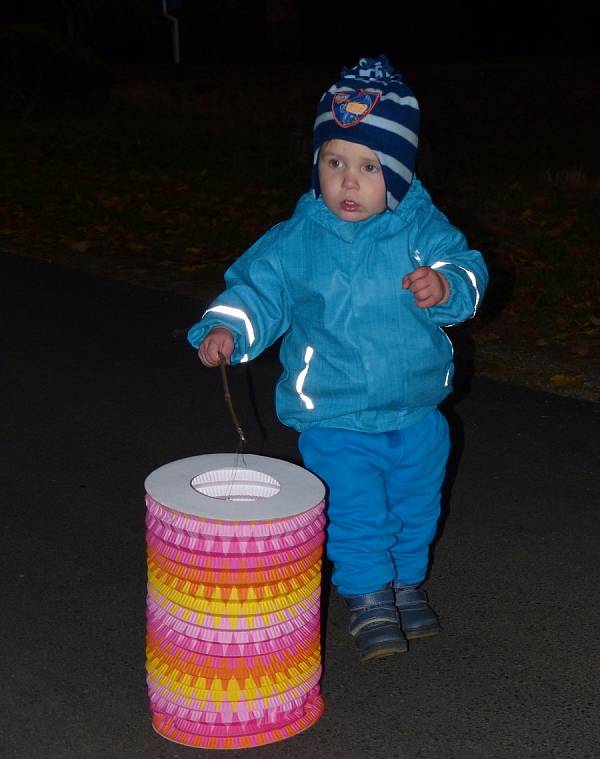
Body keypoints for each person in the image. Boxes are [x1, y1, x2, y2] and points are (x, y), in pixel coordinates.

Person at [187, 56, 488, 662]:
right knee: (358, 514)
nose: (349, 183)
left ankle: (406, 586)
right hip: (335, 416)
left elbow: (468, 267)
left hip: (417, 410)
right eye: (335, 163)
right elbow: (258, 291)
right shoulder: (297, 240)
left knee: (415, 507)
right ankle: (369, 596)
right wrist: (226, 326)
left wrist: (447, 286)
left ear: (398, 174)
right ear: (317, 163)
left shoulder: (420, 229)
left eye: (369, 167)